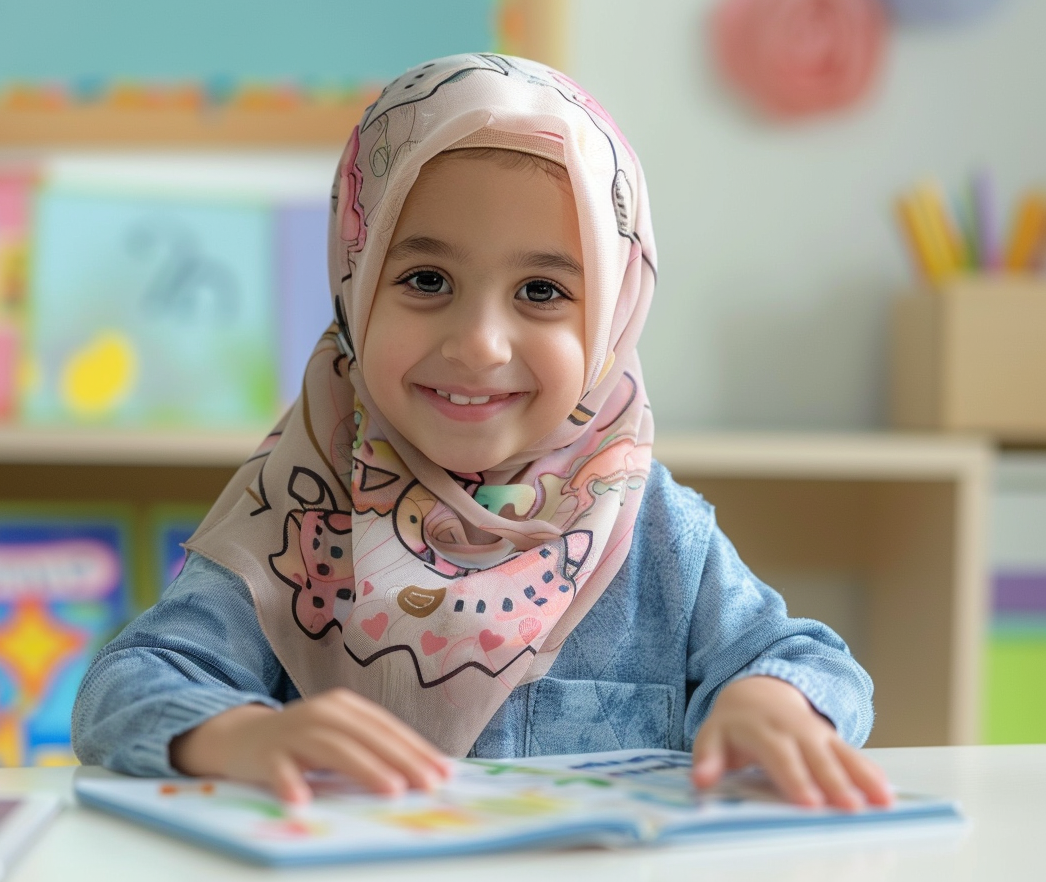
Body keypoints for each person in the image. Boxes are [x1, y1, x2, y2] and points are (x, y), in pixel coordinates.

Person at [72, 53, 892, 812]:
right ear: (354, 286)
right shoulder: (296, 505)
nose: (480, 344)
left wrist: (769, 700)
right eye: (427, 280)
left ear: (612, 314)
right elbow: (127, 684)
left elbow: (815, 662)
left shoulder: (655, 530)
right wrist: (238, 735)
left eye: (541, 290)